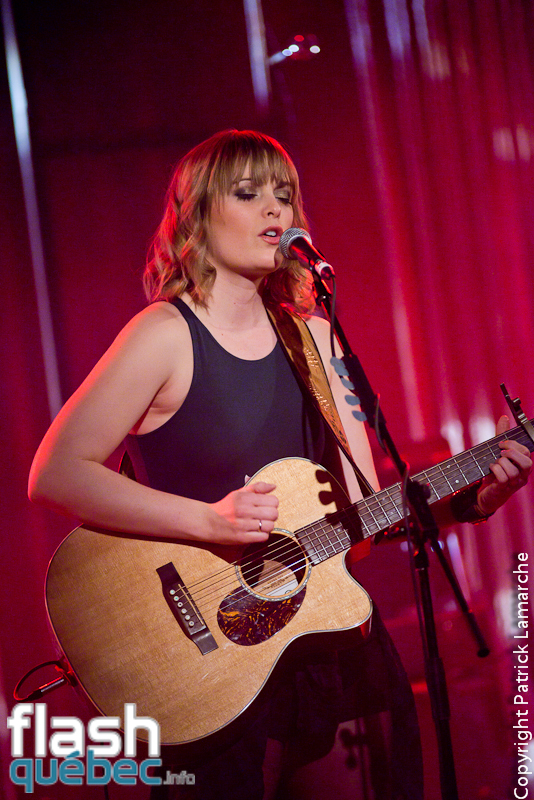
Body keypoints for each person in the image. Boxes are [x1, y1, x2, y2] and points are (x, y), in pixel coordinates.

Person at [29, 129, 532, 800]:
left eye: (284, 194)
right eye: (248, 193)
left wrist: (479, 496)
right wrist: (209, 522)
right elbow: (55, 473)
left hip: (319, 647)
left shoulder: (315, 337)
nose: (275, 209)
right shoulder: (164, 335)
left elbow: (364, 515)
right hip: (206, 663)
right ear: (198, 215)